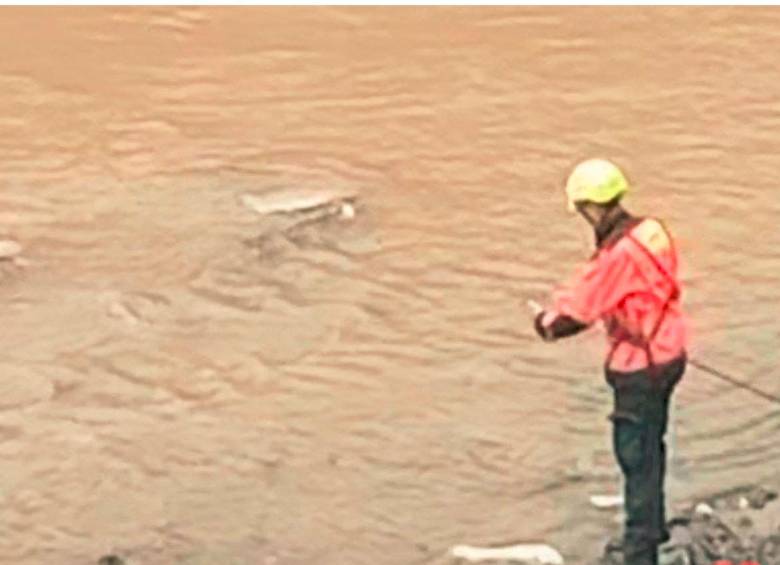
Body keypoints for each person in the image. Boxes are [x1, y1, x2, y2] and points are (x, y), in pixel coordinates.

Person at [531, 159, 688, 565]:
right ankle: (653, 528)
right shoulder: (653, 231)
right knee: (654, 445)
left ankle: (641, 550)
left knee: (635, 457)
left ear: (591, 208)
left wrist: (543, 323)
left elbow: (574, 316)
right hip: (671, 352)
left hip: (639, 367)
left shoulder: (614, 257)